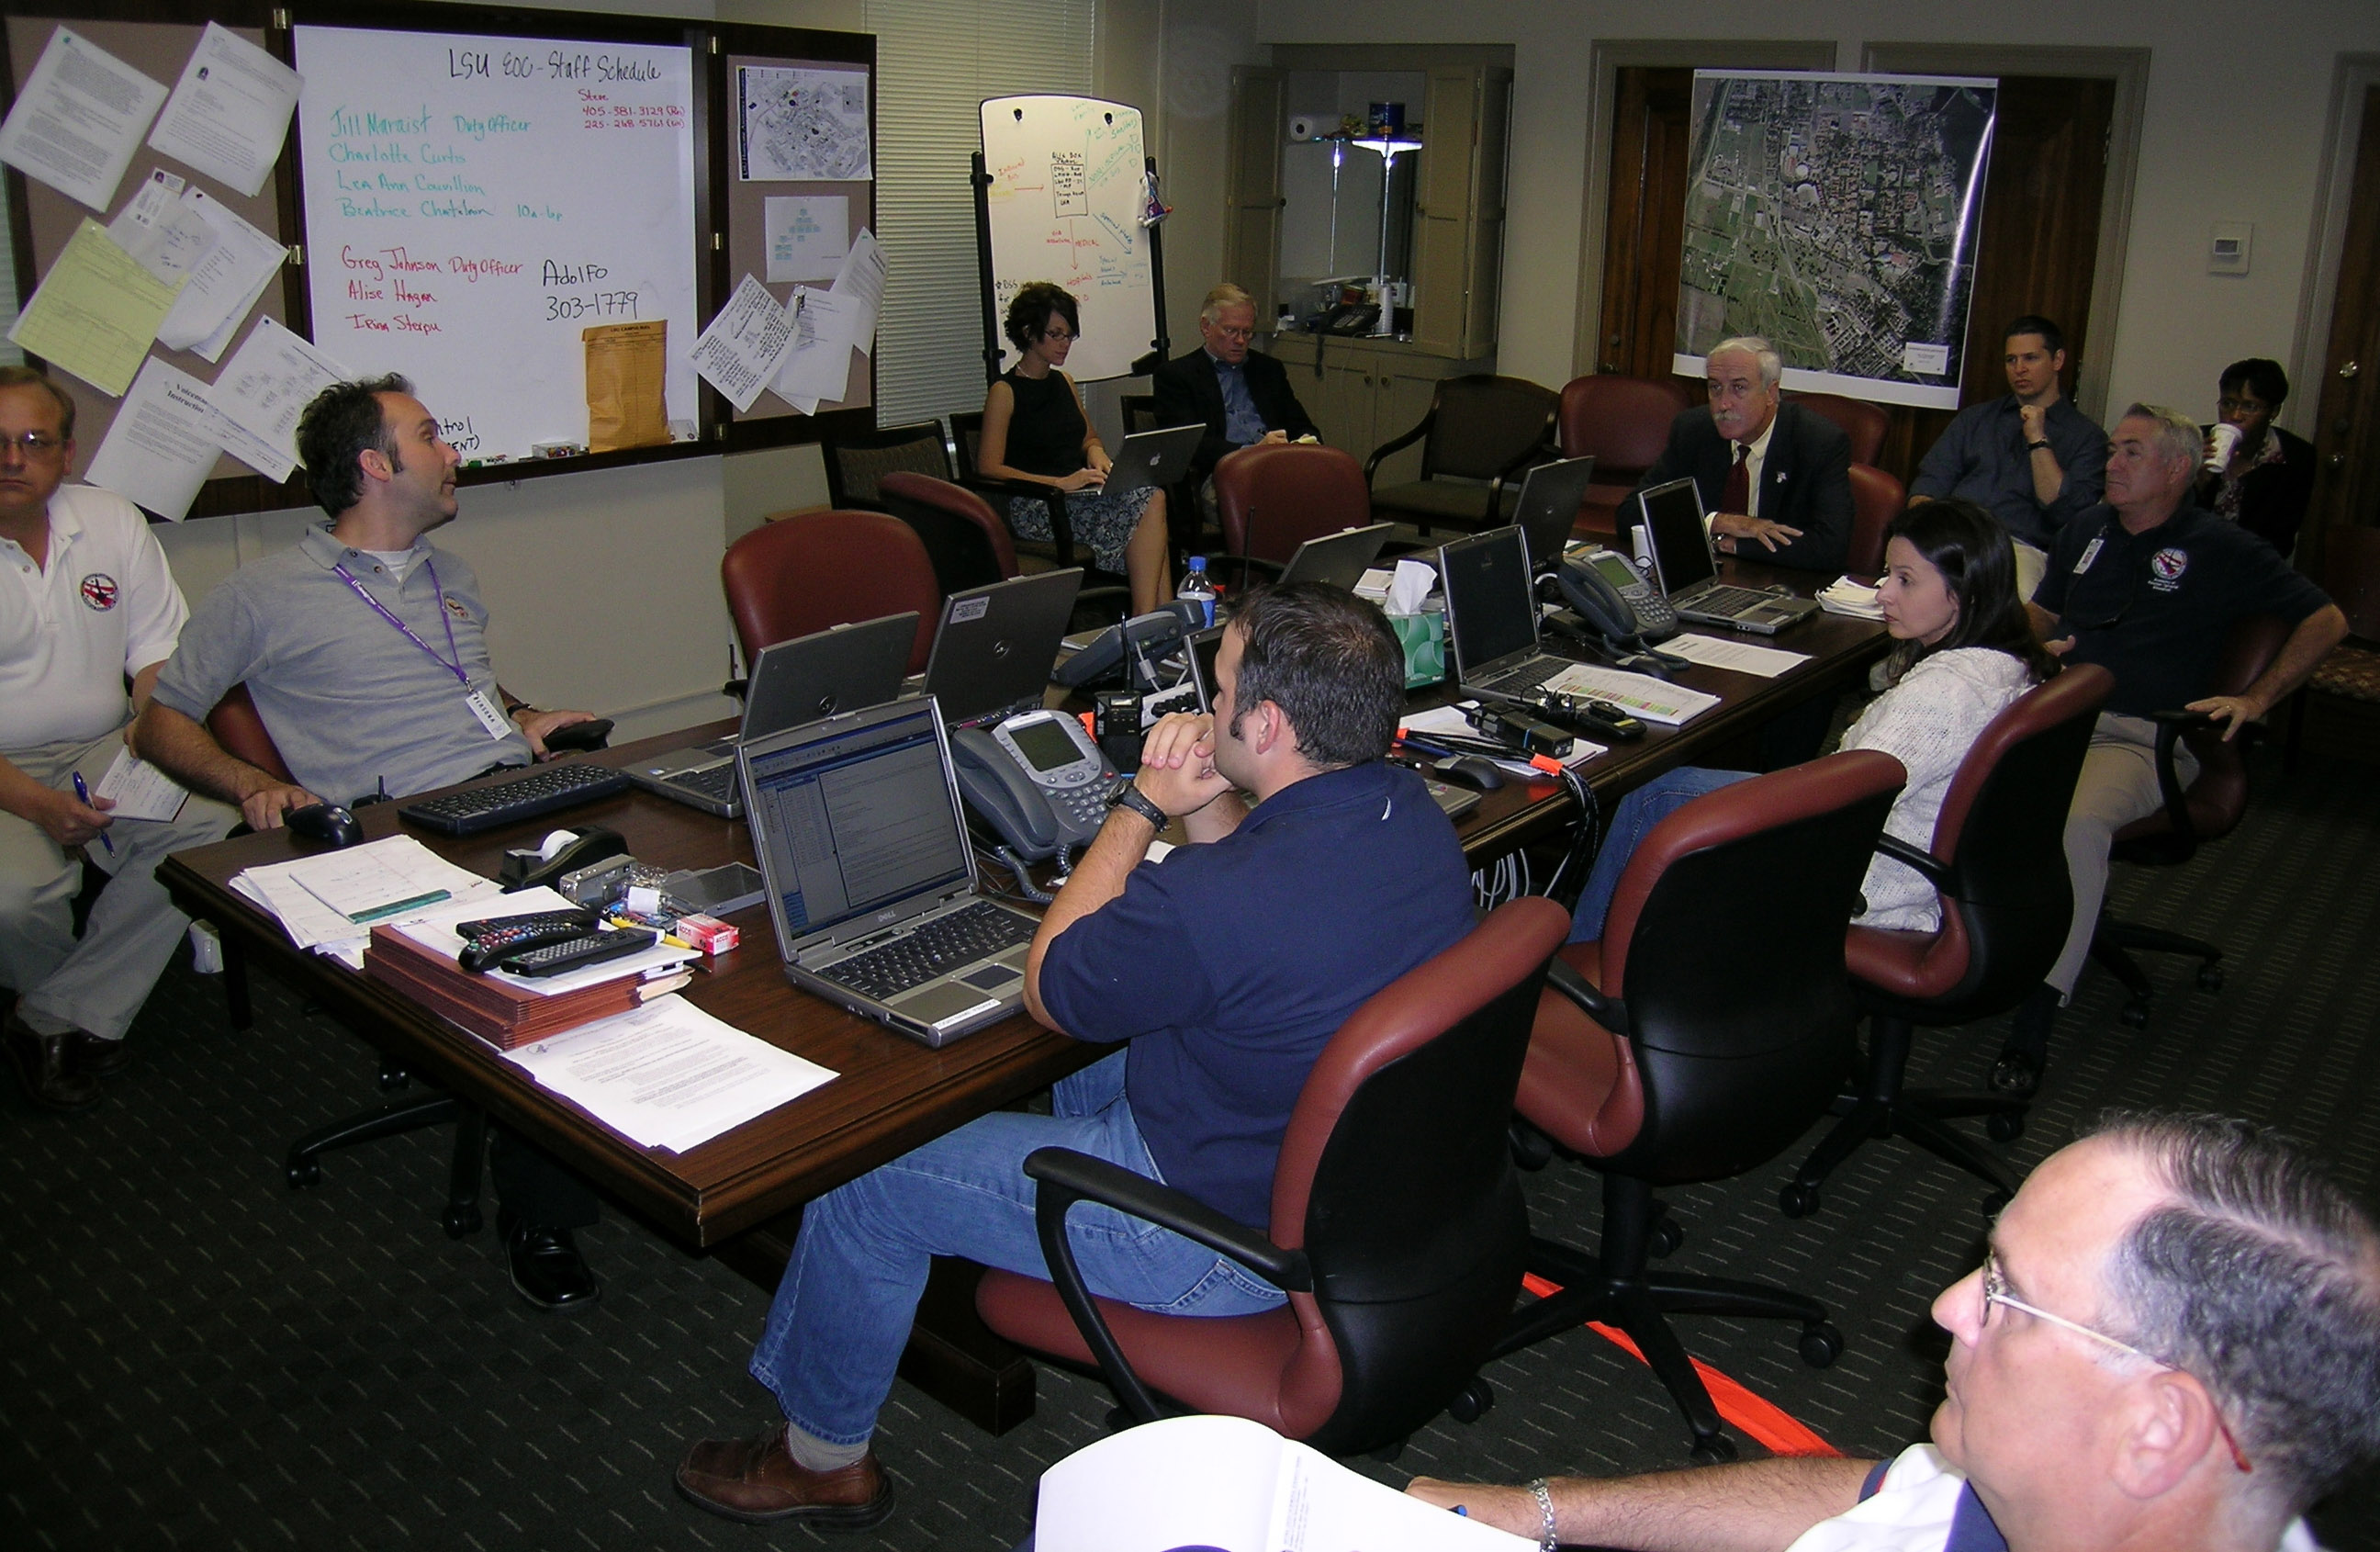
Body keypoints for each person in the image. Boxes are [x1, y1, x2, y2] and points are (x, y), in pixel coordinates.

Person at [673, 581, 1477, 1529]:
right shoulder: (1407, 812)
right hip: (1340, 1186)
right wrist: (1209, 799)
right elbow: (1242, 906)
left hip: (1212, 1241)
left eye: (1221, 691)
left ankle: (820, 1458)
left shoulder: (1215, 906)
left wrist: (1138, 806)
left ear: (1266, 725)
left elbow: (1051, 987)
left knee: (864, 1179)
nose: (1207, 703)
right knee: (1088, 1052)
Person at [134, 374, 612, 1312]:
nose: (453, 453)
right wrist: (253, 784)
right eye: (431, 436)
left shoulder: (450, 574)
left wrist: (523, 717)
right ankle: (541, 1215)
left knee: (673, 895)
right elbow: (159, 722)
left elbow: (458, 685)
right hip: (397, 832)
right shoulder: (263, 593)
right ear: (374, 466)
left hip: (502, 799)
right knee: (550, 973)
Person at [1408, 1110, 2380, 1552]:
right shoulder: (2025, 1483)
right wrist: (1541, 1512)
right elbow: (1877, 1494)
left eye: (2007, 1295)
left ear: (2158, 1428)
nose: (1947, 1307)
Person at [1993, 405, 2345, 1097]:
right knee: (1945, 777)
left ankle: (2036, 1014)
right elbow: (2046, 612)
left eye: (2131, 453)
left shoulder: (2222, 547)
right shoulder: (2086, 529)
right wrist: (2021, 638)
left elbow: (2327, 619)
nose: (2112, 464)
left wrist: (2258, 699)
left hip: (2143, 736)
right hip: (2055, 717)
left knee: (2076, 822)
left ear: (2178, 469)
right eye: (2113, 451)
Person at [1566, 499, 2053, 944]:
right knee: (1680, 788)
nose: (1884, 594)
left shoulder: (1941, 695)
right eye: (1887, 574)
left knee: (1655, 796)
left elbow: (1843, 801)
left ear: (1963, 592)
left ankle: (1585, 958)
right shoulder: (2008, 664)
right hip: (1908, 857)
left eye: (1906, 580)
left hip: (1866, 877)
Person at [0, 366, 236, 1110]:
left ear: (66, 454)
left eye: (34, 441)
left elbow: (158, 655)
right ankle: (75, 1014)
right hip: (4, 770)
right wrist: (37, 805)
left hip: (106, 744)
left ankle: (49, 1019)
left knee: (207, 829)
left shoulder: (109, 520)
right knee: (16, 899)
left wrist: (151, 726)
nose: (13, 459)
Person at [978, 281, 1172, 613]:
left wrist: (1097, 454)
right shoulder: (1005, 391)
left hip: (1078, 494)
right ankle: (1149, 621)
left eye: (1069, 335)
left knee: (1152, 497)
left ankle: (1159, 619)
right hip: (1039, 503)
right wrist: (1060, 483)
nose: (1064, 343)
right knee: (1150, 504)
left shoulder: (1064, 382)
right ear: (1028, 333)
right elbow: (989, 467)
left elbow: (1088, 438)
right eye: (1055, 334)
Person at [1910, 316, 2108, 600]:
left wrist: (2038, 439)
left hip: (2021, 549)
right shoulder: (1975, 420)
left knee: (2015, 601)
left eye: (2031, 358)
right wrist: (1925, 531)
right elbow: (1929, 484)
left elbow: (2062, 511)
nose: (2019, 369)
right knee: (1904, 590)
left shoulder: (2088, 437)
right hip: (1955, 539)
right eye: (2011, 360)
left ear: (2057, 360)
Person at [1634, 335, 1852, 574]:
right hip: (1705, 578)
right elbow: (1632, 513)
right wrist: (1717, 522)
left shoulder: (1818, 442)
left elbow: (1830, 548)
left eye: (1739, 388)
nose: (1723, 404)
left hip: (1782, 582)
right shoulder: (1693, 430)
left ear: (1771, 392)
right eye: (1715, 388)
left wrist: (1730, 544)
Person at [1150, 282, 1320, 491]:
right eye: (1231, 330)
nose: (1240, 340)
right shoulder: (1177, 376)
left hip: (1279, 465)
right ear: (1206, 327)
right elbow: (1187, 445)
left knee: (1331, 481)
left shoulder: (1268, 369)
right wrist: (1252, 452)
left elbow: (1301, 424)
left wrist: (1306, 440)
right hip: (1223, 474)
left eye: (1247, 332)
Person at [2199, 358, 2316, 557]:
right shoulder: (2196, 441)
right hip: (2192, 555)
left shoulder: (2294, 456)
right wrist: (2197, 484)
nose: (2235, 415)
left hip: (2254, 562)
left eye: (2250, 407)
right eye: (2228, 404)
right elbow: (2170, 520)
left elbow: (2282, 538)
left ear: (2274, 411)